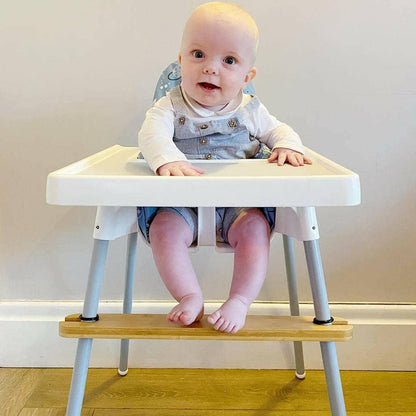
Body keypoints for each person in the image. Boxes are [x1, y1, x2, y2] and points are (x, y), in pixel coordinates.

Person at [138, 1, 311, 333]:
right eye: (198, 54)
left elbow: (278, 130)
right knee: (163, 231)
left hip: (239, 206)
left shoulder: (250, 108)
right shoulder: (169, 106)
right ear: (180, 60)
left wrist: (287, 145)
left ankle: (240, 301)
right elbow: (151, 134)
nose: (210, 68)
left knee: (256, 231)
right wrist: (168, 159)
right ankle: (189, 295)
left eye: (228, 60)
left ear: (247, 77)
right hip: (181, 205)